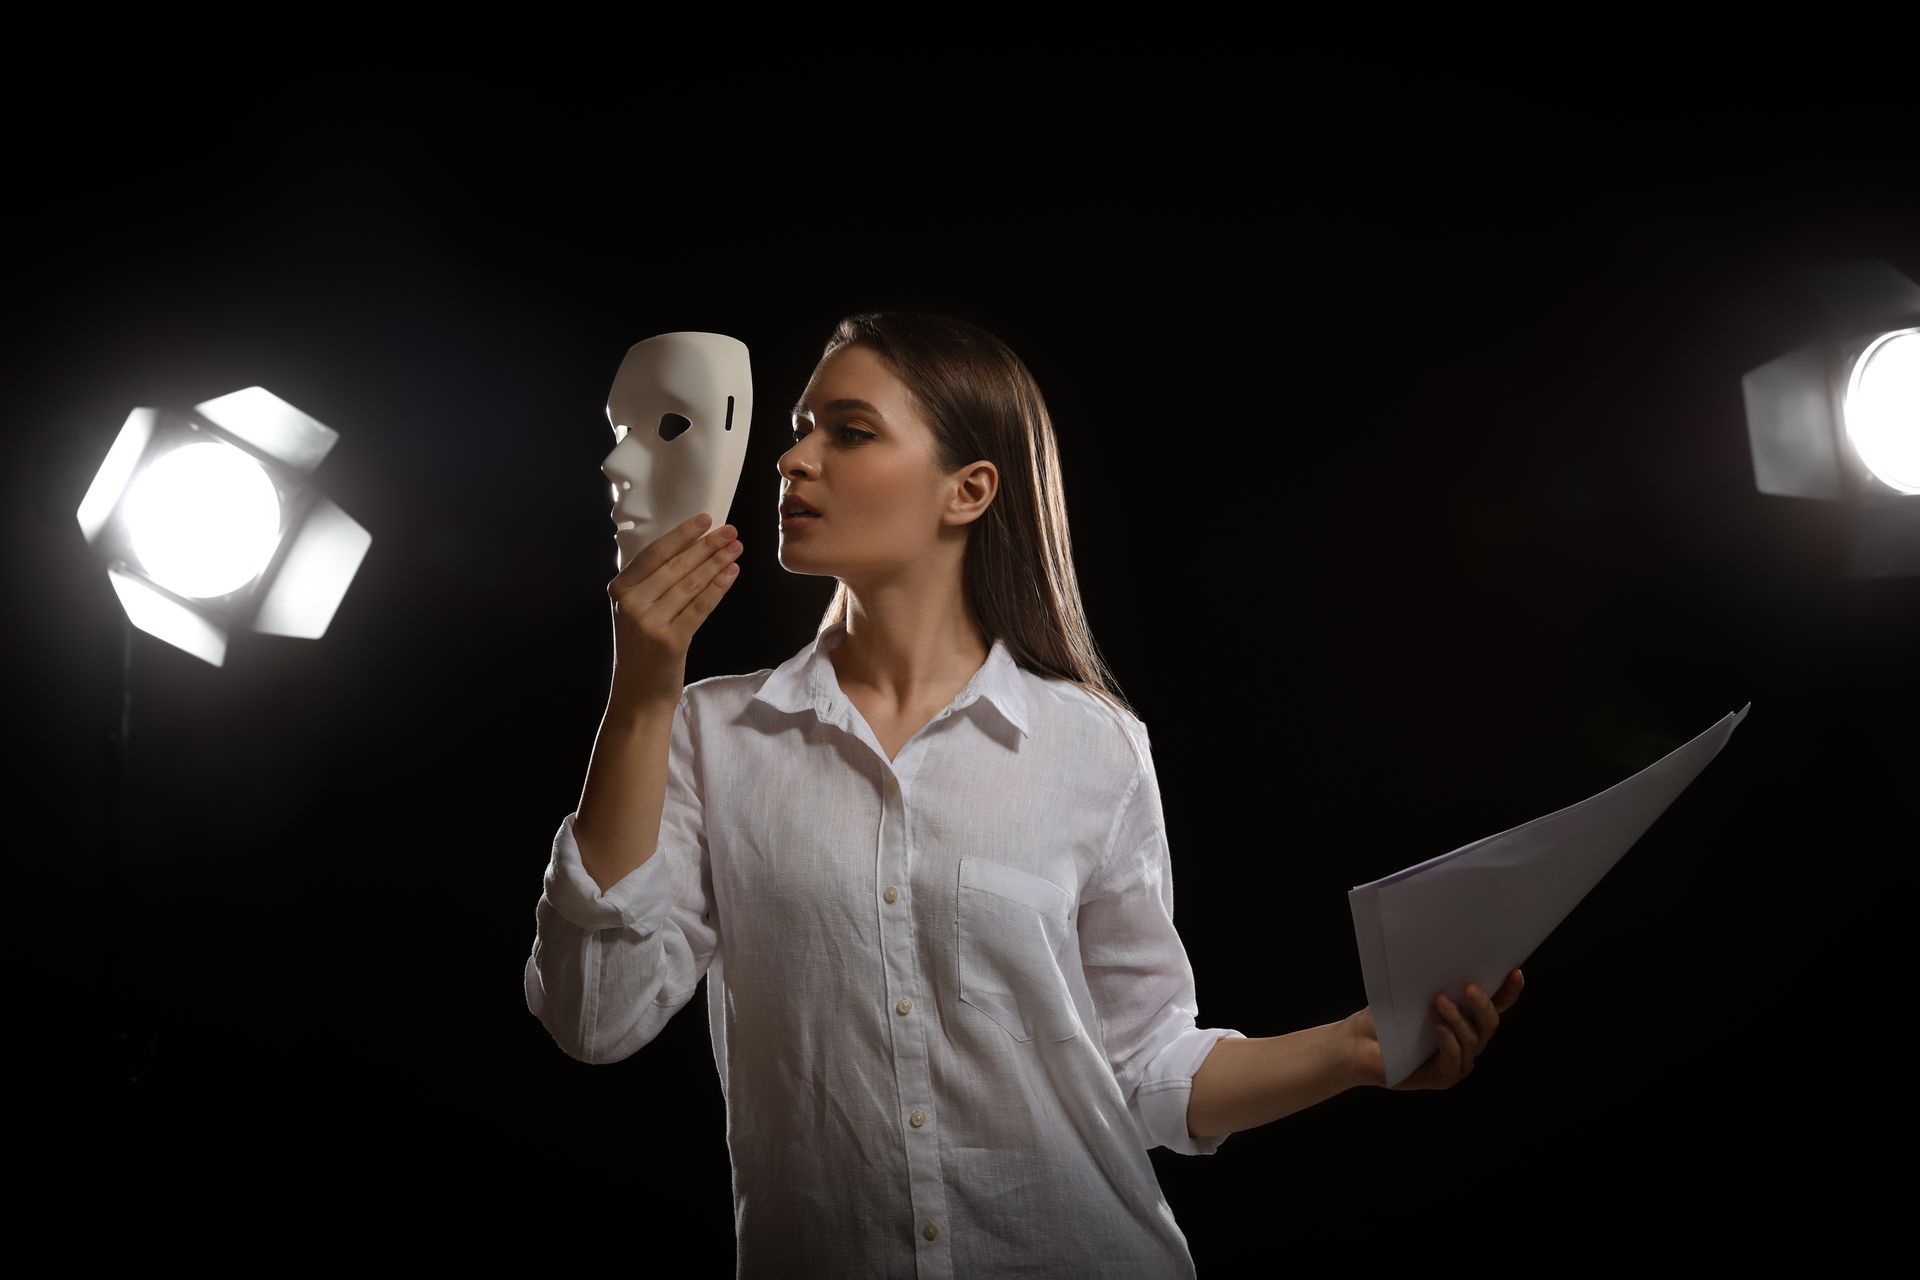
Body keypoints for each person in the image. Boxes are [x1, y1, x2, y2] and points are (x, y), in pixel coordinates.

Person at [524, 311, 1523, 1277]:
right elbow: (595, 1012)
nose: (793, 460)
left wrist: (1352, 1050)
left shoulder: (1096, 747)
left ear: (969, 489)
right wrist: (644, 687)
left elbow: (1144, 1066)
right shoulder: (713, 732)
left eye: (850, 431)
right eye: (796, 431)